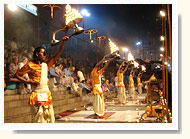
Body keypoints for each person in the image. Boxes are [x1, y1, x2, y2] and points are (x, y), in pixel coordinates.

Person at [16, 36, 70, 123]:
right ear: (37, 54)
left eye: (45, 53)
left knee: (49, 116)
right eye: (43, 53)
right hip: (37, 93)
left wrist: (63, 42)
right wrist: (26, 81)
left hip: (46, 93)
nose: (45, 55)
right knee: (39, 119)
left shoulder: (46, 65)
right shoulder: (30, 65)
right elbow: (17, 74)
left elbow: (57, 55)